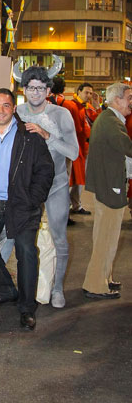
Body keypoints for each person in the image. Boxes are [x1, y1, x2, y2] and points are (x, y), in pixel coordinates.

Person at [0, 88, 54, 330]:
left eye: (6, 105)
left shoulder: (30, 136)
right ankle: (6, 289)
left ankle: (27, 307)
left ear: (14, 108)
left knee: (26, 252)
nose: (1, 110)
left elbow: (45, 171)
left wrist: (33, 199)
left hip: (22, 205)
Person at [16, 66, 79, 308]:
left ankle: (57, 288)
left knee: (59, 237)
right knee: (17, 236)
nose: (35, 93)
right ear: (24, 89)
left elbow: (73, 152)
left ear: (48, 90)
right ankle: (22, 286)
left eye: (41, 88)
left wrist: (47, 135)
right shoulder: (17, 112)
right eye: (31, 88)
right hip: (25, 186)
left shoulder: (61, 114)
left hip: (56, 184)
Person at [82, 82, 132, 299]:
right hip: (110, 188)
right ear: (117, 100)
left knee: (107, 237)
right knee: (106, 238)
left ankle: (105, 277)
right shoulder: (111, 121)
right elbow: (128, 148)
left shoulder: (108, 119)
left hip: (107, 186)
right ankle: (95, 285)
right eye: (129, 98)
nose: (131, 102)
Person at [69, 82, 101, 216]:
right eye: (86, 92)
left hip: (85, 148)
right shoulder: (71, 106)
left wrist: (97, 105)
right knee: (71, 179)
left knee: (80, 179)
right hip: (74, 148)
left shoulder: (88, 107)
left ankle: (76, 205)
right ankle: (67, 207)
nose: (88, 95)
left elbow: (98, 121)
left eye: (90, 93)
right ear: (79, 91)